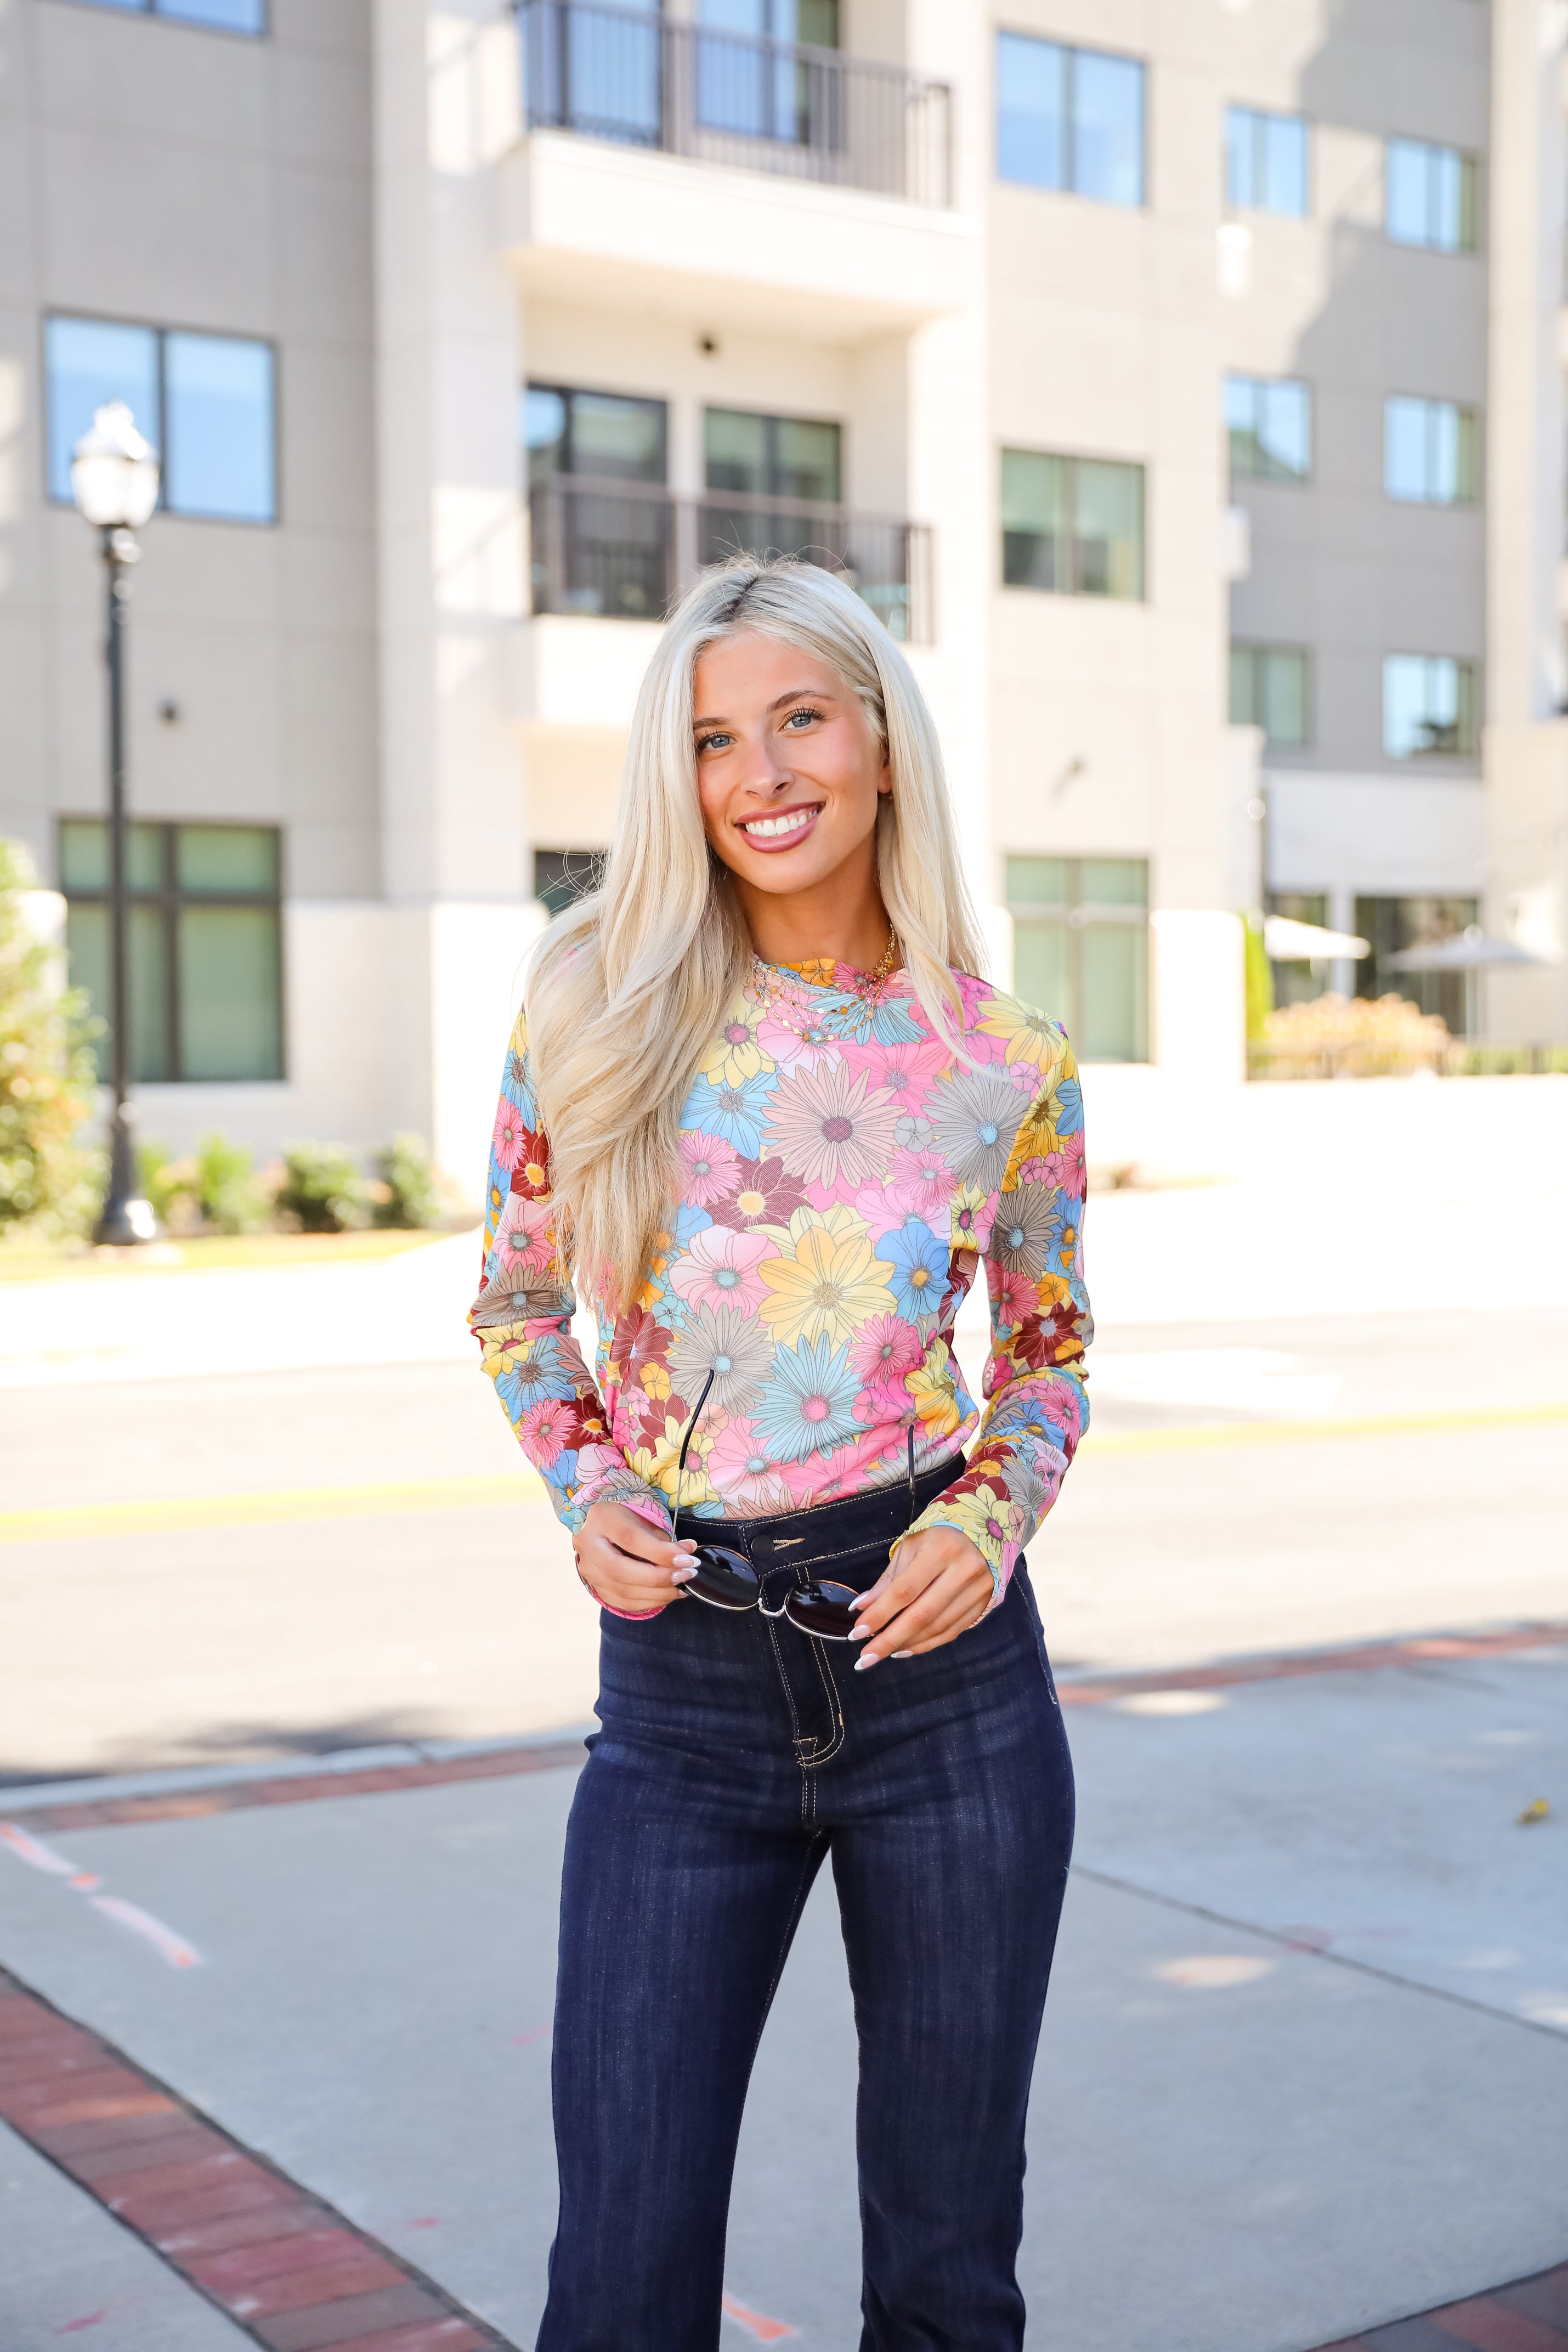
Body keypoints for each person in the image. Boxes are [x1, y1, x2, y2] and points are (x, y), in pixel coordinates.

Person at [469, 556, 1091, 2352]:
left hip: (946, 1689)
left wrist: (986, 1520)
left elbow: (1045, 1356)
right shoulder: (593, 1001)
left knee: (948, 2274)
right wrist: (588, 1486)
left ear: (881, 741)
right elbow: (518, 1305)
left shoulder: (1002, 1059)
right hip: (683, 1694)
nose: (758, 773)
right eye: (711, 738)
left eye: (798, 718)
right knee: (623, 2272)